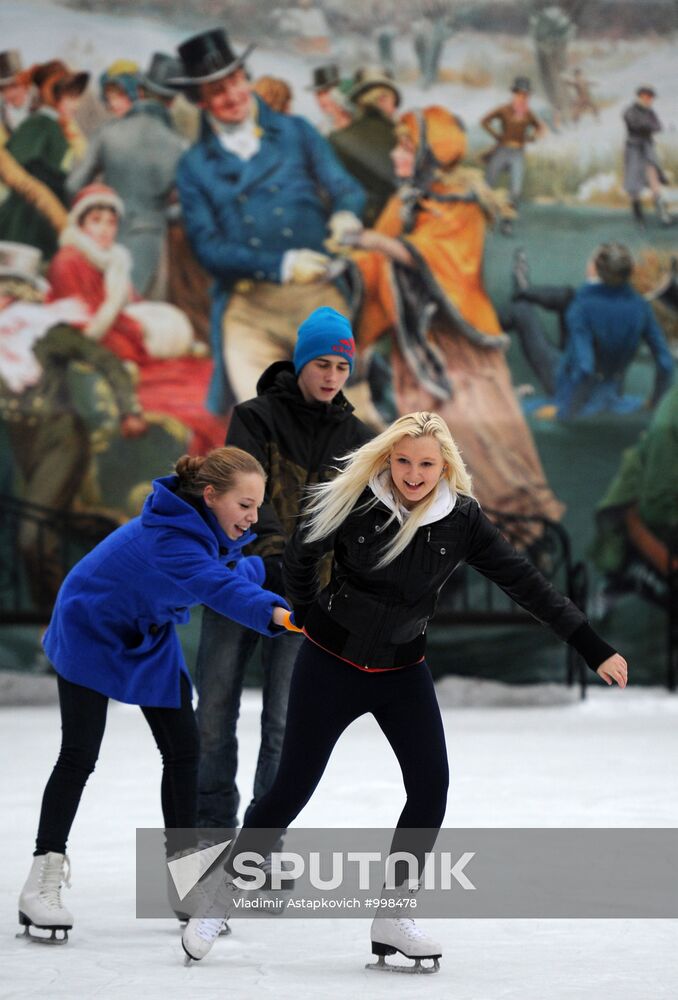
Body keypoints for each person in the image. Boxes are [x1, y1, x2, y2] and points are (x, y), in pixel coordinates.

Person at [180, 411, 628, 966]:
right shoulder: (355, 499)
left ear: (444, 467)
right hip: (331, 665)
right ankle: (219, 896)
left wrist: (592, 646)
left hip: (401, 672)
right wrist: (310, 614)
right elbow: (300, 556)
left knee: (430, 786)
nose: (413, 474)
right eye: (403, 461)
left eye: (426, 464)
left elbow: (526, 583)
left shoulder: (460, 519)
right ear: (388, 459)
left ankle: (393, 915)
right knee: (289, 789)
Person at [17, 446, 294, 943]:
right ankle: (42, 880)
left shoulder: (206, 533)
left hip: (147, 632)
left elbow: (225, 571)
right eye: (244, 505)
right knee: (79, 754)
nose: (254, 518)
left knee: (184, 750)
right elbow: (215, 584)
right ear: (210, 496)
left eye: (257, 506)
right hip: (90, 626)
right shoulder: (171, 537)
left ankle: (185, 883)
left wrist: (272, 571)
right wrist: (282, 614)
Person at [195, 308, 372, 858]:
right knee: (213, 718)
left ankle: (260, 847)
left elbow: (354, 521)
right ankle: (209, 838)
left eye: (342, 367)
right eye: (323, 364)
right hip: (239, 586)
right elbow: (246, 496)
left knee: (283, 726)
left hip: (307, 602)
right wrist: (276, 557)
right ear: (300, 363)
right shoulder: (254, 417)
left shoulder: (357, 438)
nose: (333, 377)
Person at [347, 105, 563, 521]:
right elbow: (373, 260)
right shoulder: (406, 199)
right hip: (417, 345)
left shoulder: (461, 205)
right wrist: (353, 260)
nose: (395, 155)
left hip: (459, 346)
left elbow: (440, 259)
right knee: (423, 443)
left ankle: (508, 516)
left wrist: (373, 241)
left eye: (404, 147)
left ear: (429, 154)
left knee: (476, 432)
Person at [172, 27, 366, 417]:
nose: (232, 96)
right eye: (217, 91)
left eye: (234, 81)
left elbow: (346, 188)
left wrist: (345, 213)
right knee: (270, 429)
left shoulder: (297, 132)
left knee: (346, 422)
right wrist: (283, 264)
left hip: (317, 297)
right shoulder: (194, 166)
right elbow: (209, 249)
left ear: (246, 78)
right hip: (249, 311)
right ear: (201, 101)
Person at [0, 239, 147, 609]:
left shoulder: (48, 331)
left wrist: (129, 409)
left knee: (34, 536)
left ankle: (57, 622)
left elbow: (105, 361)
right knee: (50, 526)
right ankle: (114, 544)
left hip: (61, 440)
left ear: (16, 294)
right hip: (21, 446)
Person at [46, 183, 226, 454]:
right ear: (80, 224)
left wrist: (154, 329)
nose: (105, 229)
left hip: (135, 350)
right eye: (96, 221)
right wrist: (126, 325)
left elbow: (134, 306)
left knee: (214, 379)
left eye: (111, 222)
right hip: (110, 361)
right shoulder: (68, 262)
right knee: (200, 403)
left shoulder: (111, 261)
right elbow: (82, 332)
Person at [504, 243, 674, 421]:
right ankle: (524, 291)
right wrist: (655, 402)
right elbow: (665, 363)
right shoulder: (641, 307)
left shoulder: (583, 306)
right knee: (565, 298)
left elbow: (585, 367)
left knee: (521, 311)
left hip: (571, 390)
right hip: (612, 389)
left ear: (596, 269)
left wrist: (566, 411)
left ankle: (498, 321)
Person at [67, 58, 186, 296]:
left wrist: (97, 216)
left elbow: (73, 185)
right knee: (137, 308)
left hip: (99, 238)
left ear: (140, 91)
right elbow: (187, 207)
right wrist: (158, 215)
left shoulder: (108, 133)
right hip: (150, 243)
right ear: (172, 101)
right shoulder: (180, 146)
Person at [0, 60, 89, 257]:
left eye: (77, 97)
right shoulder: (40, 123)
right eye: (71, 98)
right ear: (52, 95)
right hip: (25, 224)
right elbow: (19, 167)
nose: (76, 105)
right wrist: (60, 182)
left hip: (47, 222)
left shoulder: (59, 126)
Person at [329, 66, 399, 226]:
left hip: (348, 224)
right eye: (393, 102)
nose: (395, 109)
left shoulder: (336, 139)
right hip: (392, 225)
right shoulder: (404, 140)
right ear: (382, 99)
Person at [480, 77, 545, 235]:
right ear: (514, 94)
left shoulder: (528, 114)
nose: (522, 97)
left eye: (525, 95)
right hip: (501, 150)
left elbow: (539, 127)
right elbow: (484, 121)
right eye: (519, 94)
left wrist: (532, 137)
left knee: (515, 190)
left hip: (518, 153)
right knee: (488, 185)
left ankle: (507, 222)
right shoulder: (504, 110)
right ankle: (484, 218)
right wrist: (496, 135)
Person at [622, 86, 672, 228]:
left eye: (650, 97)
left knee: (654, 179)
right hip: (633, 149)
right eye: (646, 97)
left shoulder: (650, 112)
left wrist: (648, 127)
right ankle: (639, 219)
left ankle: (663, 215)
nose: (649, 100)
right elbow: (635, 125)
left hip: (647, 148)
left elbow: (657, 126)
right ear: (639, 97)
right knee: (633, 185)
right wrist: (648, 126)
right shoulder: (630, 111)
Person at [0, 50, 36, 144]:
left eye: (14, 86)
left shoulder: (42, 105)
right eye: (3, 89)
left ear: (26, 84)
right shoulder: (3, 113)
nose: (10, 94)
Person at [307, 64, 351, 134]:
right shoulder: (319, 133)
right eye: (318, 94)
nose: (321, 100)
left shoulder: (361, 123)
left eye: (325, 92)